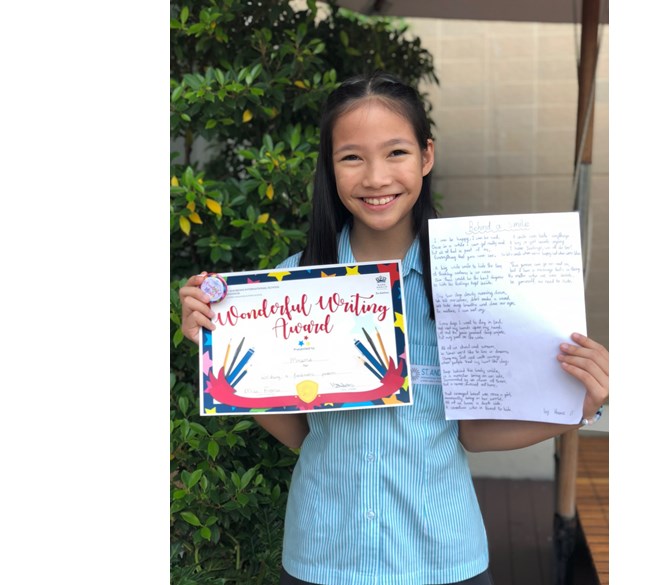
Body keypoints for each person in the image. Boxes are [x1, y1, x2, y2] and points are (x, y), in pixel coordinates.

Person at [179, 71, 609, 585]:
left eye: (396, 152)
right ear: (330, 167)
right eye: (352, 157)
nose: (376, 177)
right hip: (324, 558)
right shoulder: (290, 286)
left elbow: (473, 433)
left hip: (444, 560)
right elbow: (297, 434)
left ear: (427, 156)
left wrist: (577, 408)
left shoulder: (471, 283)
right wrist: (220, 348)